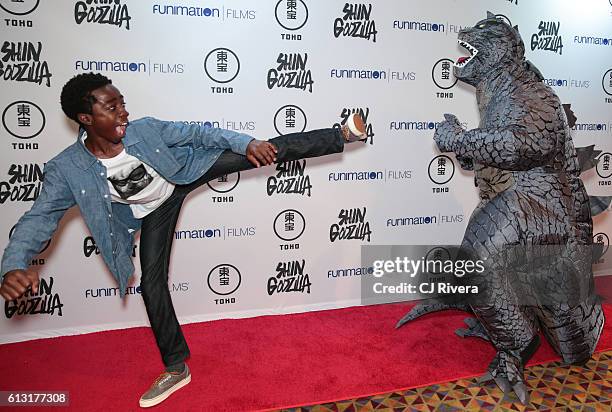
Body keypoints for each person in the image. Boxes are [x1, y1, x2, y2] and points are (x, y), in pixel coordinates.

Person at [0, 72, 366, 408]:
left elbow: (199, 134)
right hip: (150, 212)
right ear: (86, 119)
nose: (124, 113)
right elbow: (40, 217)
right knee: (152, 285)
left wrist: (247, 141)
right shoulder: (67, 168)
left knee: (262, 150)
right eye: (112, 108)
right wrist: (14, 265)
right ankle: (176, 368)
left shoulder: (145, 130)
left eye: (123, 103)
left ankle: (341, 134)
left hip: (181, 174)